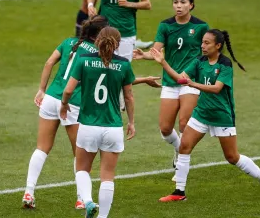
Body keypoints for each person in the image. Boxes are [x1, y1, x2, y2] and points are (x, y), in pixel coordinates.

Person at [22, 18, 159, 210]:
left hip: (51, 97)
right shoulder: (93, 54)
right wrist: (143, 79)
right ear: (101, 36)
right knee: (80, 155)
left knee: (42, 148)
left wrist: (41, 90)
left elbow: (49, 62)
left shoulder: (69, 42)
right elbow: (111, 76)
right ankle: (81, 198)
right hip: (72, 104)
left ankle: (29, 191)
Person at [150, 29, 260, 201]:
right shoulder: (199, 61)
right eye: (202, 42)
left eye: (207, 43)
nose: (202, 46)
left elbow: (217, 88)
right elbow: (180, 78)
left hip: (221, 116)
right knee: (184, 147)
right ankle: (179, 192)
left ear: (218, 45)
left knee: (232, 157)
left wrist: (193, 84)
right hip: (201, 113)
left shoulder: (225, 64)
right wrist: (163, 62)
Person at [60, 26, 135, 218]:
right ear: (118, 44)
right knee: (107, 176)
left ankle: (87, 201)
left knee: (82, 169)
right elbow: (128, 97)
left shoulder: (84, 61)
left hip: (88, 125)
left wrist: (64, 106)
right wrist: (131, 122)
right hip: (113, 127)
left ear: (97, 40)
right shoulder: (124, 64)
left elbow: (68, 90)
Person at [133, 0, 208, 179]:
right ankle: (179, 148)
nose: (179, 6)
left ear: (191, 5)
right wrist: (145, 55)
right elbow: (156, 51)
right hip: (170, 81)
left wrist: (195, 72)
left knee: (184, 123)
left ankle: (181, 172)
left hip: (190, 81)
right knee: (165, 129)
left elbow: (205, 53)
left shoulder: (200, 27)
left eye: (183, 2)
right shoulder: (165, 26)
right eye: (176, 2)